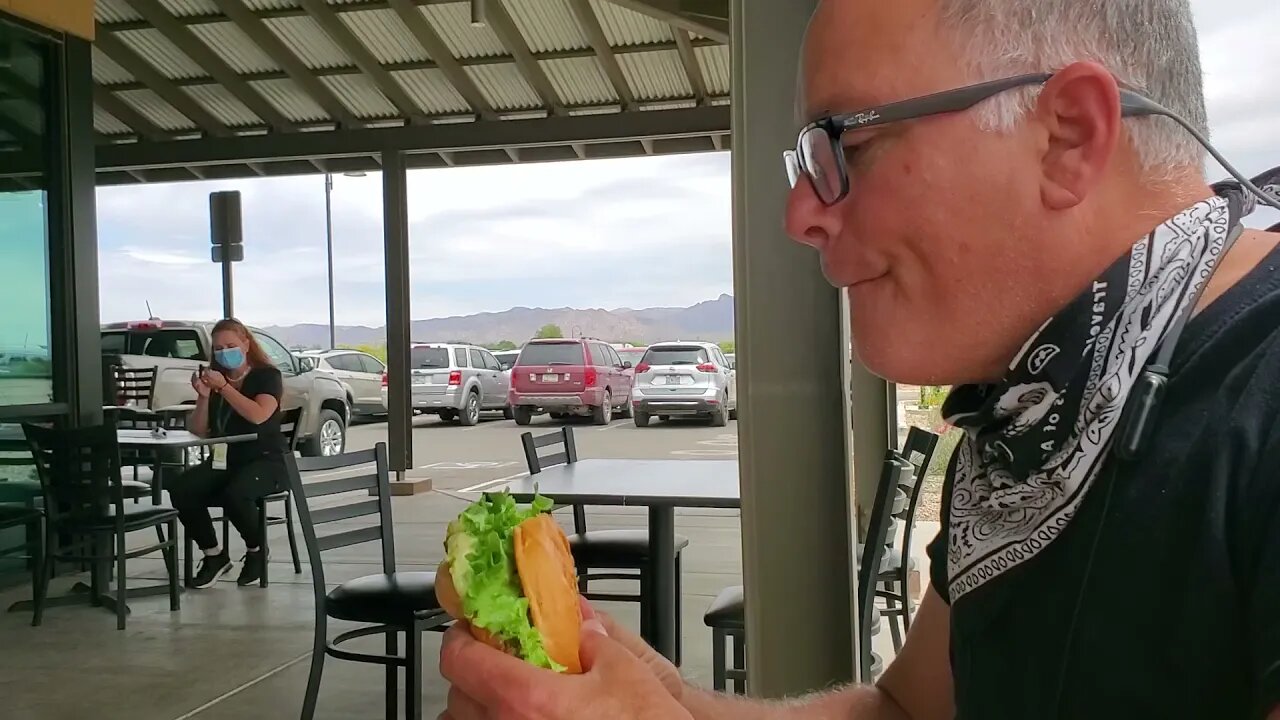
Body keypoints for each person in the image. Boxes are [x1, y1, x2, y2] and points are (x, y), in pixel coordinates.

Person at [437, 0, 1280, 718]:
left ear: (1069, 136)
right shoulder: (1038, 404)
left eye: (848, 146)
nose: (800, 213)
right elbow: (906, 711)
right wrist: (667, 698)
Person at [170, 318, 287, 589]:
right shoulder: (214, 380)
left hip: (266, 460)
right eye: (219, 348)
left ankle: (257, 550)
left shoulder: (266, 376)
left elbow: (258, 415)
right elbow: (199, 430)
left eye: (231, 345)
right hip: (226, 458)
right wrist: (203, 396)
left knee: (236, 493)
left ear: (246, 345)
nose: (225, 353)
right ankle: (214, 555)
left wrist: (224, 388)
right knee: (182, 488)